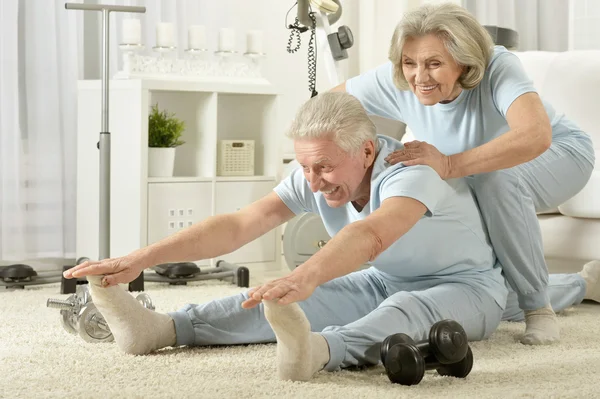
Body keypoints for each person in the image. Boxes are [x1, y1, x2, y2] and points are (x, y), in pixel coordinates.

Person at [62, 92, 599, 382]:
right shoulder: (315, 171)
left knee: (407, 308)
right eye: (305, 168)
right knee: (272, 299)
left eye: (323, 167)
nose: (313, 182)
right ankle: (164, 329)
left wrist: (303, 275)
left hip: (468, 286)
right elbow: (239, 224)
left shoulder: (409, 169)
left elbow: (372, 235)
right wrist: (141, 258)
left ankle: (320, 352)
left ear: (366, 151)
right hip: (382, 280)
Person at [331, 3, 596, 345]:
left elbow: (536, 136)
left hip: (560, 153)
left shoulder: (498, 66)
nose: (419, 77)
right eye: (409, 63)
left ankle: (538, 309)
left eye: (434, 64)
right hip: (478, 172)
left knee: (494, 178)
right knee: (479, 272)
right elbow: (326, 108)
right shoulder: (397, 78)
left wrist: (449, 165)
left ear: (464, 60)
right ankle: (584, 283)